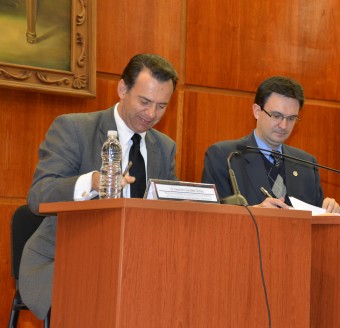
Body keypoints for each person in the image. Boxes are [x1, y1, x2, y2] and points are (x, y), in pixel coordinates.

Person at [18, 53, 179, 320]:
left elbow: (167, 213)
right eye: (145, 102)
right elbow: (39, 196)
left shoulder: (164, 147)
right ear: (122, 89)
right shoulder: (75, 128)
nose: (151, 114)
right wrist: (93, 182)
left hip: (137, 265)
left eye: (162, 106)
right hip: (64, 261)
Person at [202, 76, 340, 213]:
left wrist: (329, 212)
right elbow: (211, 217)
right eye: (276, 115)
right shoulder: (225, 157)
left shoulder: (307, 164)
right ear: (257, 111)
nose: (284, 125)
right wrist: (255, 212)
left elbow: (315, 222)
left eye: (291, 118)